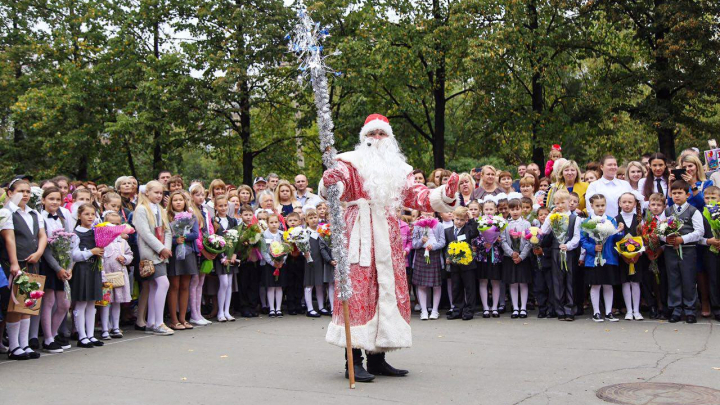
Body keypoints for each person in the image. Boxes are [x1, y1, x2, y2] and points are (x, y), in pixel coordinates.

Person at [320, 113, 458, 382]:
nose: (377, 139)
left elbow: (417, 196)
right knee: (358, 291)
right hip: (358, 231)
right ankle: (354, 360)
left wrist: (446, 193)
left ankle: (378, 358)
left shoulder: (400, 168)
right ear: (364, 138)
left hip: (388, 234)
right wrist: (330, 181)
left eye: (382, 134)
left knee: (387, 290)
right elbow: (336, 188)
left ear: (390, 137)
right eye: (372, 134)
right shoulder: (349, 162)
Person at [1, 179, 48, 359]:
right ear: (10, 192)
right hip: (17, 263)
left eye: (28, 191)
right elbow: (9, 239)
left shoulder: (35, 213)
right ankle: (14, 346)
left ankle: (24, 344)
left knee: (28, 304)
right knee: (16, 305)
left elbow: (42, 235)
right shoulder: (6, 213)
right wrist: (14, 262)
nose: (26, 195)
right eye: (21, 191)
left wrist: (39, 252)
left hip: (33, 261)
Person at [134, 181, 174, 335]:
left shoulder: (161, 209)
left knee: (154, 286)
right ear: (147, 193)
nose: (159, 196)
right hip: (150, 254)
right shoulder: (141, 210)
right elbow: (145, 233)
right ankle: (158, 322)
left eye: (161, 193)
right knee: (163, 283)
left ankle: (151, 322)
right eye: (155, 192)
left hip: (162, 253)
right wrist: (161, 248)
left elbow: (168, 231)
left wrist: (167, 248)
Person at [662, 180, 704, 324]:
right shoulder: (667, 211)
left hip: (687, 250)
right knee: (673, 279)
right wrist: (666, 238)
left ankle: (690, 310)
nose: (677, 196)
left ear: (687, 195)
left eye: (680, 193)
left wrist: (683, 239)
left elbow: (699, 232)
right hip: (670, 251)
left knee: (688, 279)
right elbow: (659, 229)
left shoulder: (693, 211)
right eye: (674, 193)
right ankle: (675, 309)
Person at [38, 187, 72, 353]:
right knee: (49, 302)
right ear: (43, 200)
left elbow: (68, 243)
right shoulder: (41, 218)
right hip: (48, 264)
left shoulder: (62, 218)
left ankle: (53, 333)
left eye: (58, 199)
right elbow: (45, 247)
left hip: (62, 264)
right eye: (51, 199)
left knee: (64, 304)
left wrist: (68, 266)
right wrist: (57, 268)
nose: (54, 202)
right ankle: (48, 338)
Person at [581, 194, 625, 322]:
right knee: (595, 285)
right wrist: (592, 248)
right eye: (597, 205)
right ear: (591, 206)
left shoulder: (611, 220)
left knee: (608, 285)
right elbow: (583, 240)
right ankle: (596, 312)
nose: (600, 208)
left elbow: (615, 238)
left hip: (609, 257)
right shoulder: (587, 222)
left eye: (603, 205)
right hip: (593, 259)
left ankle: (608, 312)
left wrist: (620, 231)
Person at [540, 189, 582, 321]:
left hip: (569, 252)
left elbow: (576, 237)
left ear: (569, 202)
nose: (560, 205)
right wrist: (549, 216)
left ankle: (570, 308)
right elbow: (544, 231)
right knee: (557, 280)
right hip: (556, 251)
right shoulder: (553, 217)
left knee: (570, 280)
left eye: (562, 202)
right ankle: (560, 309)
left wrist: (569, 245)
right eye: (557, 203)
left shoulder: (575, 218)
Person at [71, 203, 104, 349]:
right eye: (86, 214)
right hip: (82, 270)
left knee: (92, 302)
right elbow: (74, 255)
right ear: (79, 216)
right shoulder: (75, 234)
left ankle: (90, 334)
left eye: (92, 214)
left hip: (93, 269)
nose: (90, 217)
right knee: (81, 302)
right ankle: (81, 335)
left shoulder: (96, 232)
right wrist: (92, 252)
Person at [167, 191, 199, 330]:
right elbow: (165, 235)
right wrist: (175, 240)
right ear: (171, 202)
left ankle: (183, 318)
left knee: (185, 286)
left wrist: (184, 237)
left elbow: (196, 233)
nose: (178, 202)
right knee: (174, 286)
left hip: (188, 252)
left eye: (181, 200)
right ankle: (174, 320)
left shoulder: (191, 216)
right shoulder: (167, 216)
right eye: (175, 200)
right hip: (174, 253)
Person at [100, 212, 133, 339]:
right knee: (106, 303)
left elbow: (130, 254)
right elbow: (100, 259)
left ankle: (115, 326)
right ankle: (104, 328)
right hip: (107, 276)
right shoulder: (102, 241)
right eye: (111, 224)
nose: (114, 227)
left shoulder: (122, 242)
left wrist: (125, 258)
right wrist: (102, 275)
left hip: (119, 276)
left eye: (117, 224)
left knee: (117, 302)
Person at [411, 211, 446, 321]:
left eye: (430, 213)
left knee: (436, 285)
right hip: (421, 255)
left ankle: (435, 310)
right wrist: (421, 241)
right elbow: (414, 244)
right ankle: (424, 311)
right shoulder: (417, 225)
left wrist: (434, 246)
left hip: (434, 255)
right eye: (425, 213)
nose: (428, 215)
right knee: (421, 285)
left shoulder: (439, 225)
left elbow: (442, 241)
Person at [445, 206, 479, 320]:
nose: (459, 222)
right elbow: (446, 247)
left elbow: (475, 232)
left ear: (465, 220)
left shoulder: (468, 230)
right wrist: (447, 257)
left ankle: (469, 311)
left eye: (462, 220)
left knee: (469, 288)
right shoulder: (448, 231)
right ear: (453, 218)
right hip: (454, 265)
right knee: (456, 287)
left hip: (467, 264)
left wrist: (471, 218)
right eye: (457, 219)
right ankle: (457, 309)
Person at [616, 191, 645, 320]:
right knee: (625, 283)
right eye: (624, 202)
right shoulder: (616, 219)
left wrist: (638, 253)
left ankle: (636, 310)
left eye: (630, 202)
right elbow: (614, 240)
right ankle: (628, 310)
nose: (627, 205)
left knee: (636, 283)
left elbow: (643, 238)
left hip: (637, 257)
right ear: (619, 203)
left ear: (635, 204)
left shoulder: (639, 219)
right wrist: (623, 255)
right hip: (623, 258)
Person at [472, 199, 504, 318]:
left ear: (495, 210)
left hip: (495, 257)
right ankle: (486, 307)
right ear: (482, 210)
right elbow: (474, 239)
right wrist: (483, 243)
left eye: (491, 209)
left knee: (495, 281)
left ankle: (494, 307)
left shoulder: (500, 222)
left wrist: (498, 240)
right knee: (483, 281)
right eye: (486, 209)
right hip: (482, 257)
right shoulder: (479, 223)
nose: (489, 211)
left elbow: (504, 239)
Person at [501, 198, 532, 319]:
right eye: (512, 209)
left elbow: (529, 241)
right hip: (510, 257)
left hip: (523, 258)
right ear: (508, 210)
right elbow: (503, 240)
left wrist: (522, 255)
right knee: (513, 283)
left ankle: (523, 307)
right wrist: (511, 253)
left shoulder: (526, 224)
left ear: (521, 209)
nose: (515, 212)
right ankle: (515, 308)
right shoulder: (505, 224)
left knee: (523, 283)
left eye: (517, 209)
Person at [303, 209, 334, 317]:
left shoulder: (322, 231)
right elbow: (302, 246)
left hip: (321, 260)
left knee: (319, 284)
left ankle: (321, 307)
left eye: (315, 217)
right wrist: (305, 253)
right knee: (309, 284)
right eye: (310, 218)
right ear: (306, 220)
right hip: (310, 261)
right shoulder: (305, 233)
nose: (313, 220)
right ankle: (310, 308)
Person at [212, 195, 238, 322]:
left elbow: (236, 238)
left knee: (230, 284)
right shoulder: (214, 221)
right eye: (220, 206)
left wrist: (234, 254)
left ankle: (227, 311)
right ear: (216, 207)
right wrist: (221, 256)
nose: (223, 208)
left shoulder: (232, 221)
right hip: (220, 257)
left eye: (225, 205)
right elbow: (212, 239)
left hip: (231, 256)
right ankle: (220, 311)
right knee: (224, 283)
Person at [237, 204, 261, 318]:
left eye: (250, 214)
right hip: (244, 260)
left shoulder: (256, 227)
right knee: (244, 284)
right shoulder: (239, 228)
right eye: (245, 214)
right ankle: (244, 307)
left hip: (254, 259)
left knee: (253, 284)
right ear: (240, 215)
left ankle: (253, 306)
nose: (248, 217)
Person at [261, 214, 286, 318]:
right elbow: (264, 251)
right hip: (269, 264)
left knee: (279, 286)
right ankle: (271, 308)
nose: (274, 224)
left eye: (276, 222)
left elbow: (286, 249)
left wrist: (281, 261)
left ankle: (278, 308)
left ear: (279, 223)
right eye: (271, 222)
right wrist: (272, 262)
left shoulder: (282, 234)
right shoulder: (264, 235)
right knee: (271, 287)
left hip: (280, 264)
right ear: (267, 224)